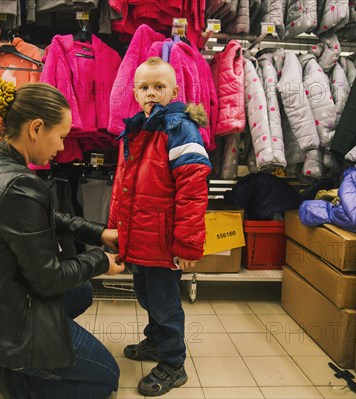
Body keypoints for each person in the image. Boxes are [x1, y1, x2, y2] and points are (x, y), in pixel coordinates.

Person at [0, 77, 126, 399]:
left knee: (81, 291)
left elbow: (41, 219)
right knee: (105, 379)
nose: (61, 147)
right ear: (36, 128)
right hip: (8, 320)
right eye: (60, 137)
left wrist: (97, 232)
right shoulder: (20, 184)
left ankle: (29, 361)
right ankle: (11, 382)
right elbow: (48, 279)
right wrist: (100, 260)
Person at [107, 57, 211, 396]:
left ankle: (173, 363)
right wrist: (114, 229)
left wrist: (189, 244)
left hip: (163, 240)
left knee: (165, 303)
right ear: (135, 92)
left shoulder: (179, 128)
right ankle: (155, 342)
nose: (151, 93)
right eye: (144, 87)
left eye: (159, 87)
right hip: (139, 236)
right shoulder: (136, 129)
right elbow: (122, 183)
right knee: (145, 294)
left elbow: (193, 188)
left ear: (174, 91)